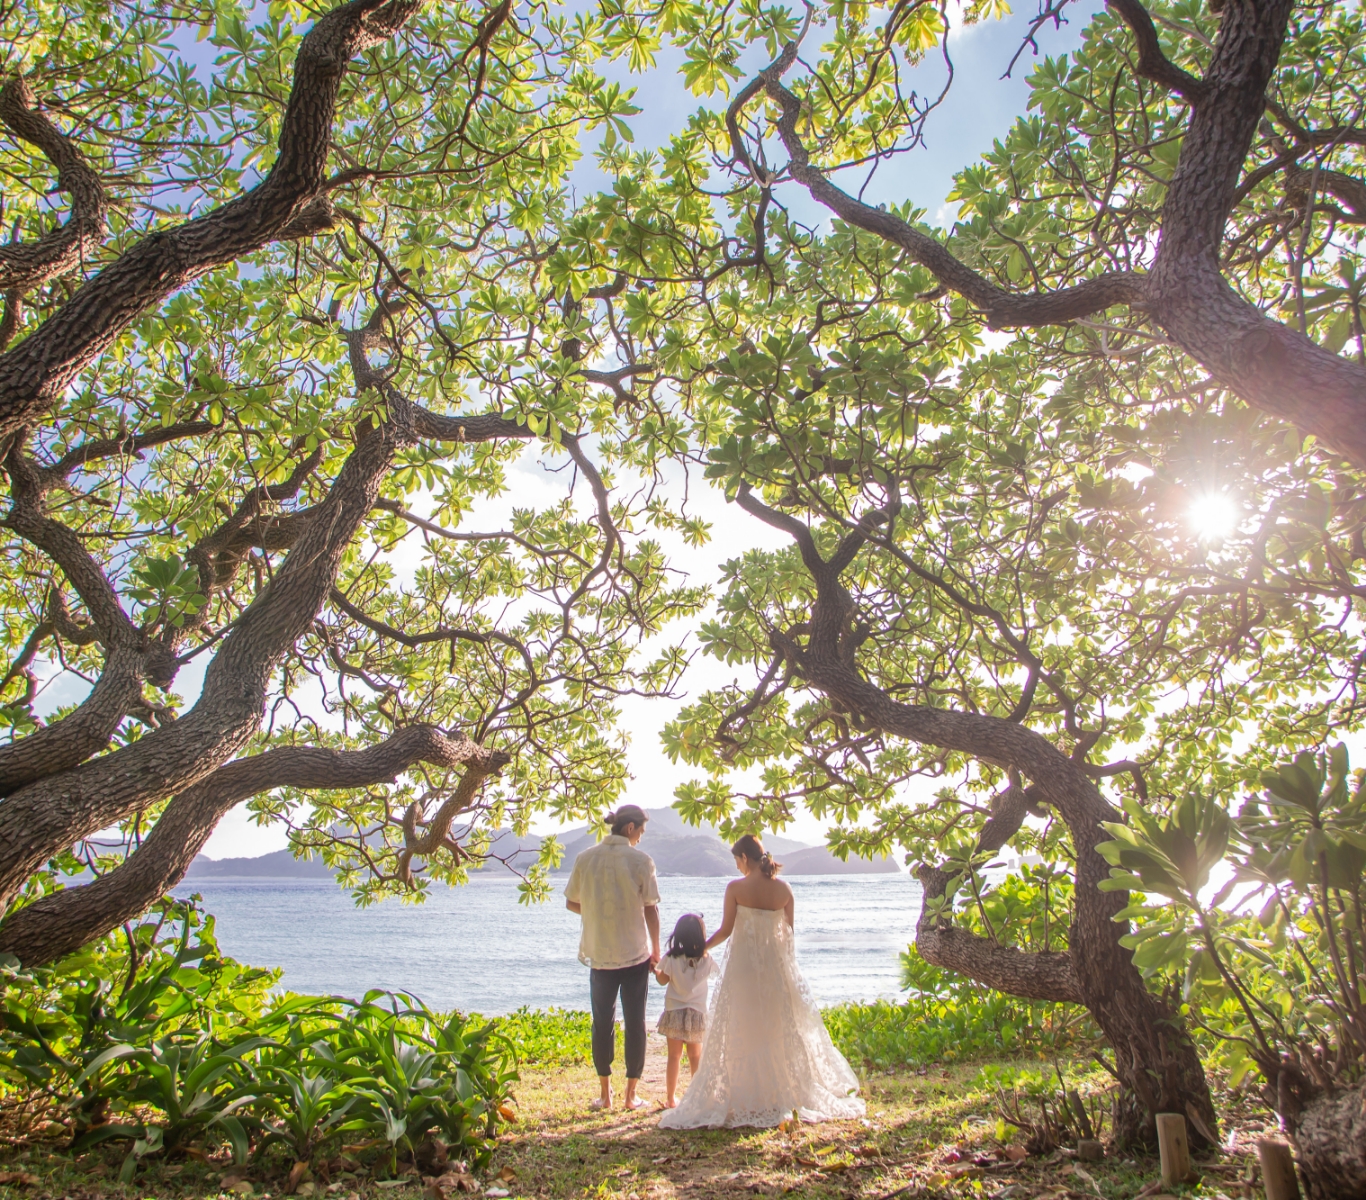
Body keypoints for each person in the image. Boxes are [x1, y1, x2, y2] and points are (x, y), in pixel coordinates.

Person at [659, 834, 866, 1129]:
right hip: (775, 969)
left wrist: (701, 948)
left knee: (744, 1027)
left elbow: (726, 931)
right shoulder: (784, 889)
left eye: (737, 861)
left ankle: (746, 1092)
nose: (737, 867)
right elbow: (789, 933)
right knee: (774, 1027)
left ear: (744, 858)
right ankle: (774, 1093)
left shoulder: (736, 888)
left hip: (744, 969)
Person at [564, 803, 661, 1111]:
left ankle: (605, 1096)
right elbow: (651, 909)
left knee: (601, 1023)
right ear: (630, 828)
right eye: (641, 831)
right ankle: (631, 1096)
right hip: (635, 954)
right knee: (636, 1024)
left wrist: (596, 913)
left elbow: (571, 902)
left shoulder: (585, 858)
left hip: (599, 954)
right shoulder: (641, 861)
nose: (641, 838)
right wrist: (656, 950)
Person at [653, 913, 717, 1108]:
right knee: (695, 1056)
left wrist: (655, 969)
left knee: (674, 1056)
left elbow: (662, 980)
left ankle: (671, 1098)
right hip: (696, 1013)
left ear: (678, 935)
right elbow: (714, 976)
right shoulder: (706, 959)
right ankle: (696, 1097)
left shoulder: (672, 957)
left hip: (674, 1011)